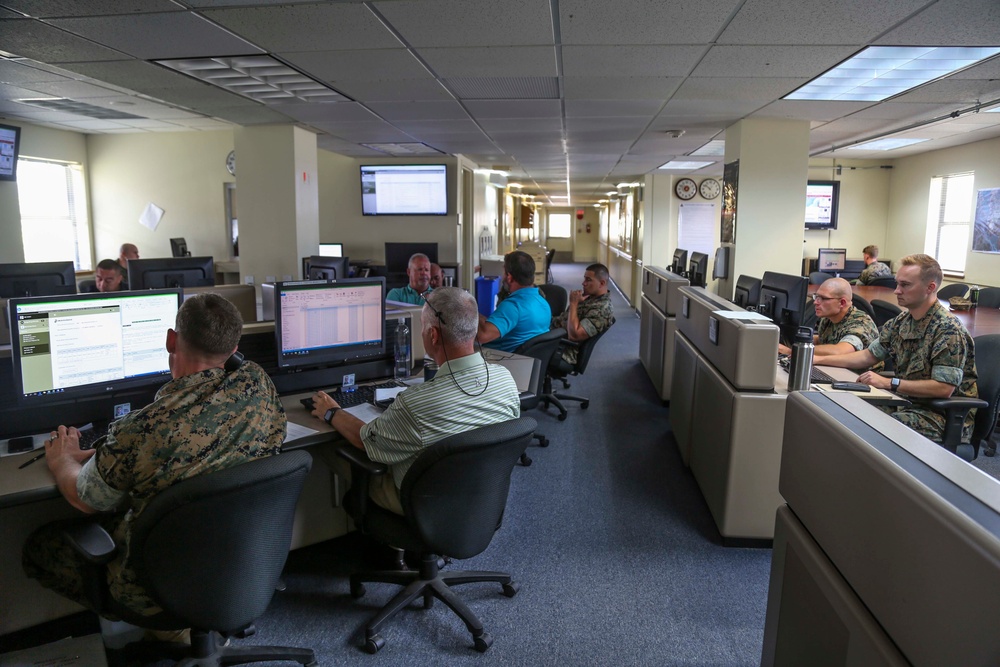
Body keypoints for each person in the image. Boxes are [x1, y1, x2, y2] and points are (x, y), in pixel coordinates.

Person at [23, 294, 286, 620]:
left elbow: (86, 500)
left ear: (170, 340)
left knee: (39, 547)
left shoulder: (143, 427)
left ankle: (166, 626)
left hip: (152, 586)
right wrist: (110, 453)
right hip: (244, 561)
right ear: (234, 349)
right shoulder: (259, 383)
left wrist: (62, 459)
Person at [309, 287, 519, 514]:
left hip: (422, 504)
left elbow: (365, 441)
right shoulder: (506, 380)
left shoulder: (416, 403)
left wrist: (331, 412)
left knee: (329, 446)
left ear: (433, 335)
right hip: (480, 498)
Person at [819, 254, 978, 443]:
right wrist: (816, 359)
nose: (897, 291)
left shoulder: (948, 329)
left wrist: (889, 383)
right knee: (843, 411)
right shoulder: (901, 322)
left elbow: (943, 388)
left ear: (930, 287)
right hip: (906, 403)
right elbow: (867, 356)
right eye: (897, 284)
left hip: (940, 416)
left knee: (870, 429)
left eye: (905, 285)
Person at [777, 277, 878, 358]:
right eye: (816, 297)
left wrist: (794, 351)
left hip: (858, 378)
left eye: (823, 298)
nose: (815, 302)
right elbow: (822, 339)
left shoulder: (859, 323)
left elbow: (840, 351)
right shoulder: (828, 318)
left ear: (842, 303)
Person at [477, 250, 550, 352]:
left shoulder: (513, 306)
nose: (503, 277)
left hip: (499, 360)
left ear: (510, 277)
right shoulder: (543, 302)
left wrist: (470, 311)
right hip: (526, 362)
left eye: (504, 273)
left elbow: (483, 336)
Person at [551, 263, 614, 368]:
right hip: (554, 332)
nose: (583, 283)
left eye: (588, 280)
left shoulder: (602, 309)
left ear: (602, 283)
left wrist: (574, 304)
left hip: (562, 347)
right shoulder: (590, 297)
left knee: (522, 342)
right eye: (584, 279)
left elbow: (574, 335)